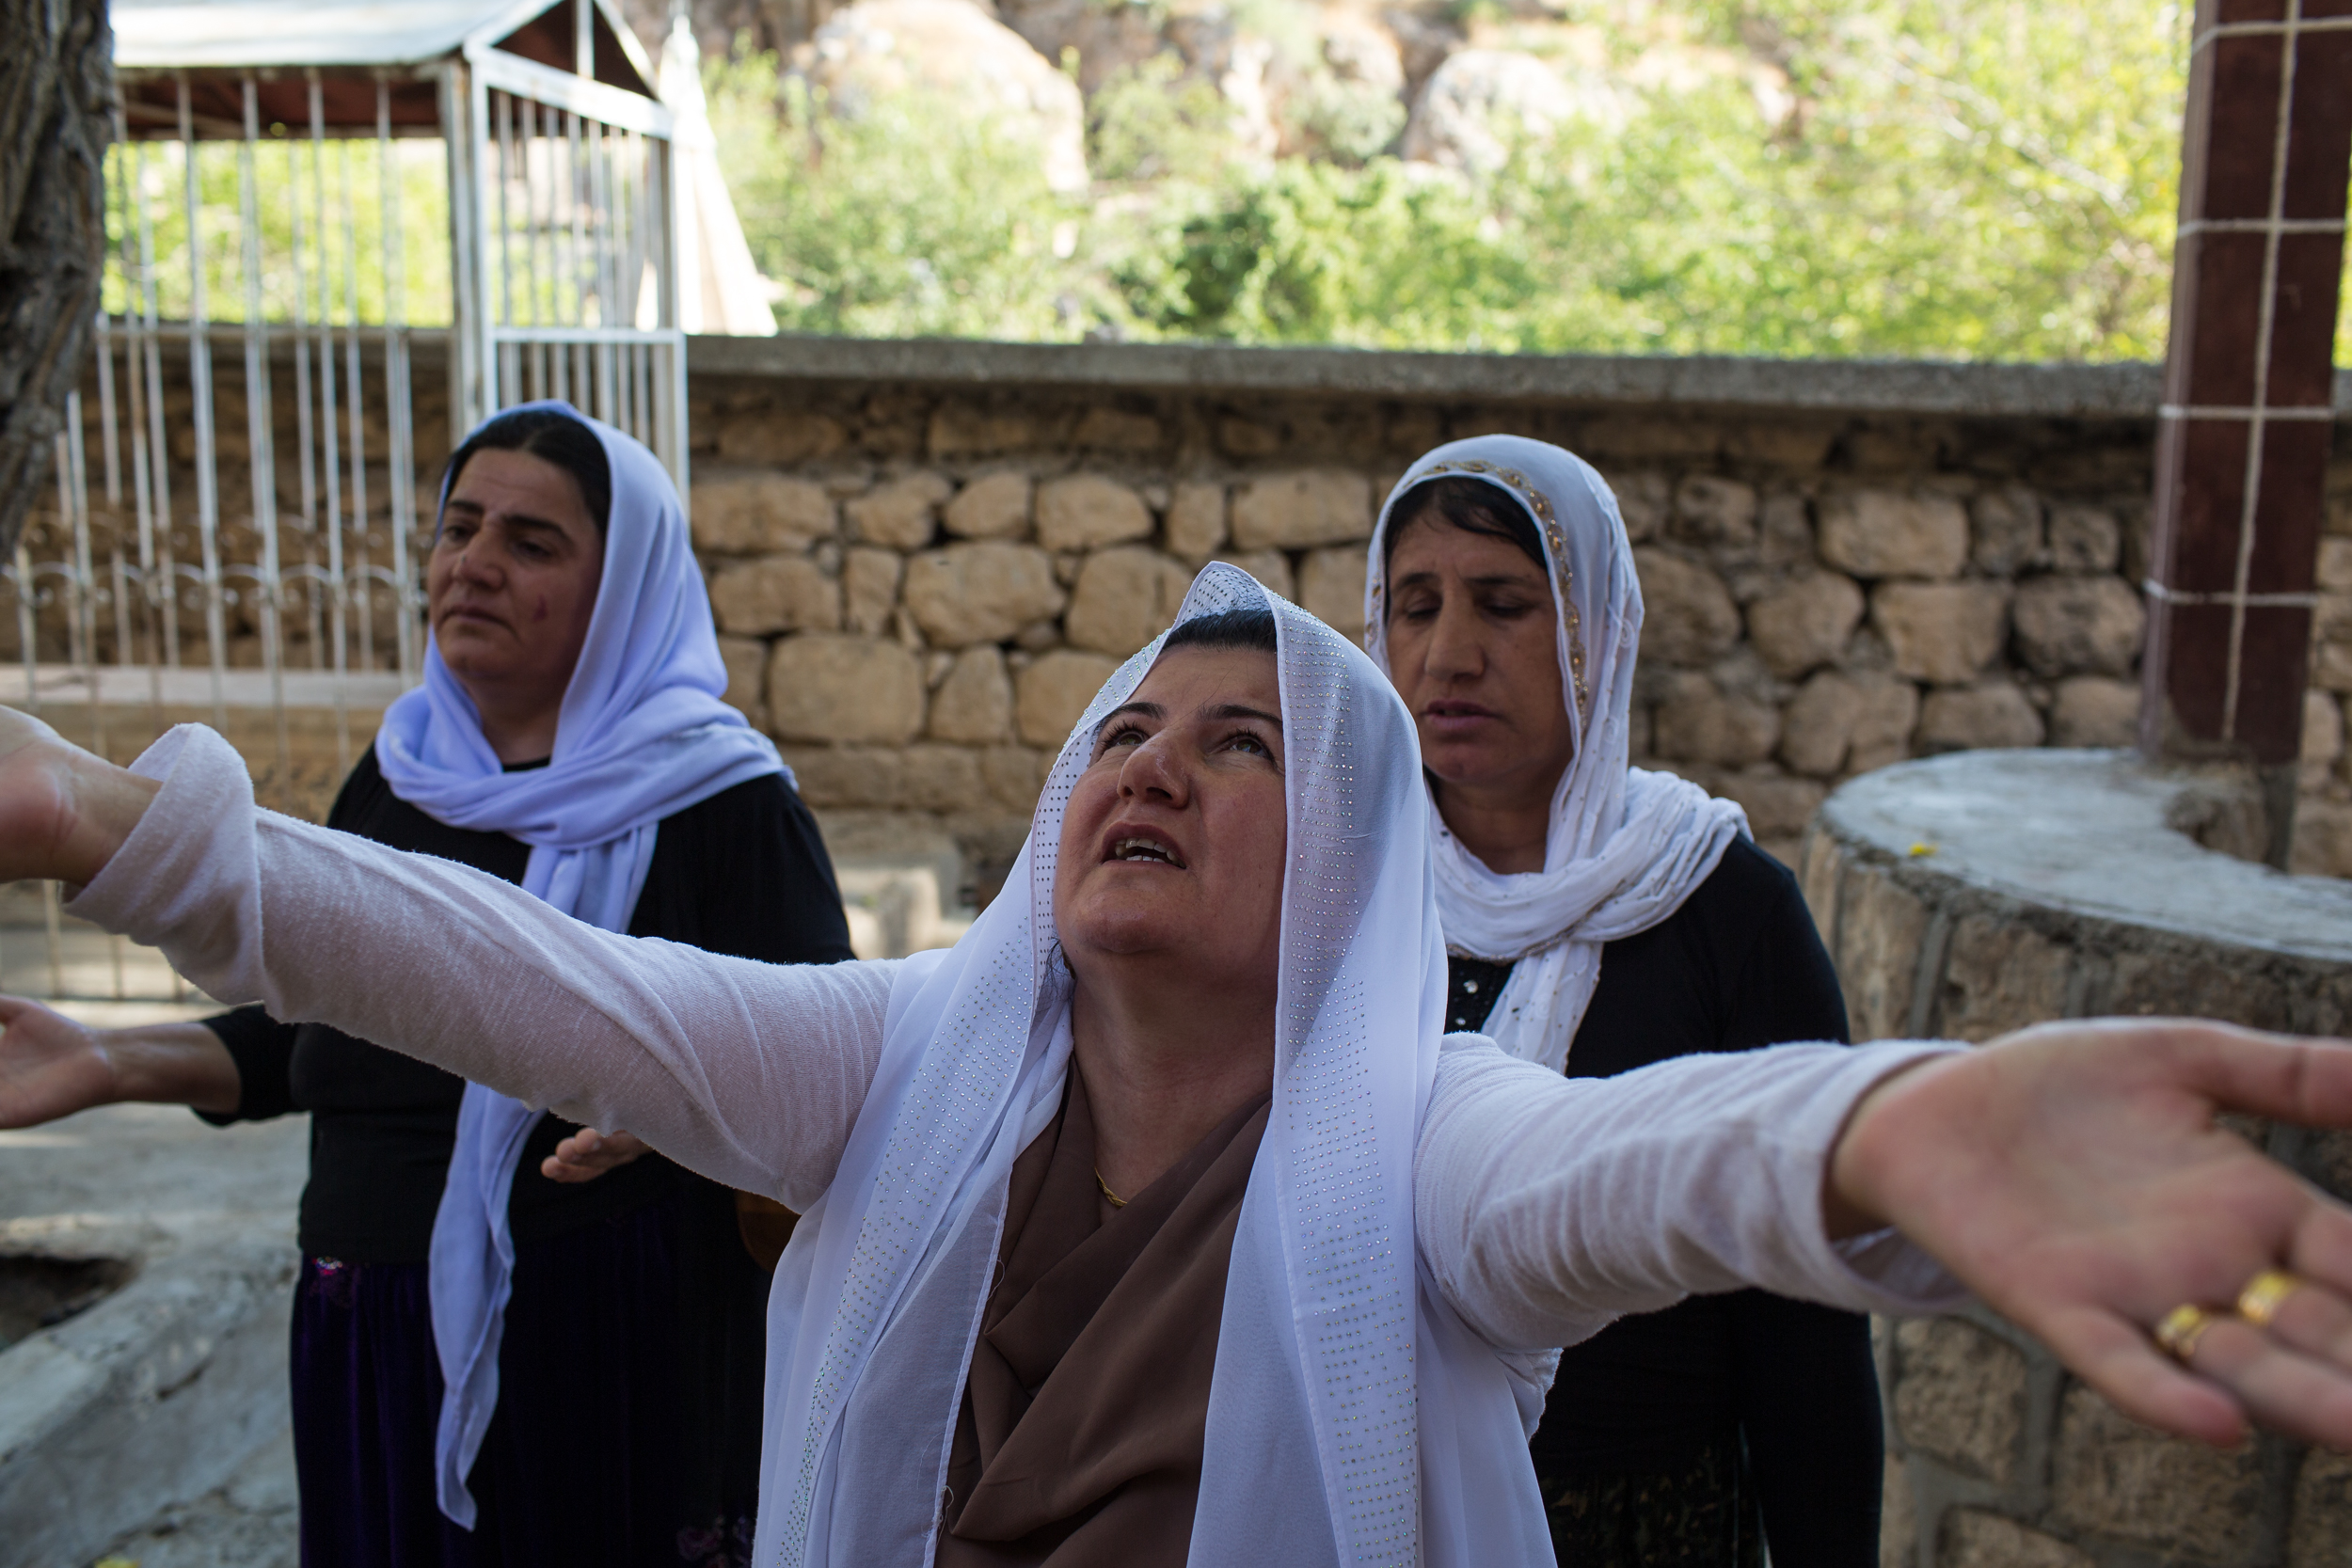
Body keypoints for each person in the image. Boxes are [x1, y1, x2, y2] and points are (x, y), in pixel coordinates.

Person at [5, 564, 2352, 1568]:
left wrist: (1887, 1122)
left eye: (1242, 749)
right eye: (1124, 731)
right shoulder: (901, 1068)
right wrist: (119, 830)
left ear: (1346, 866)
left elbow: (1632, 1166)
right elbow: (513, 977)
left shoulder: (1409, 1147)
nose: (1153, 765)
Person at [0, 403, 855, 1568]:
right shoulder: (401, 779)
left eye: (531, 542)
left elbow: (820, 1073)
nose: (474, 563)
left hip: (602, 1339)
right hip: (369, 1318)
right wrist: (105, 1059)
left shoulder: (725, 806)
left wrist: (675, 1115)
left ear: (625, 589)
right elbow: (325, 1028)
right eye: (459, 527)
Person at [1367, 436, 1879, 1564]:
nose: (1447, 653)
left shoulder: (1717, 904)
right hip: (1369, 1496)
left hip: (1642, 1519)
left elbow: (1801, 1301)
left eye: (1503, 604)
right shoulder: (1339, 890)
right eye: (1414, 605)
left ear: (1598, 631)